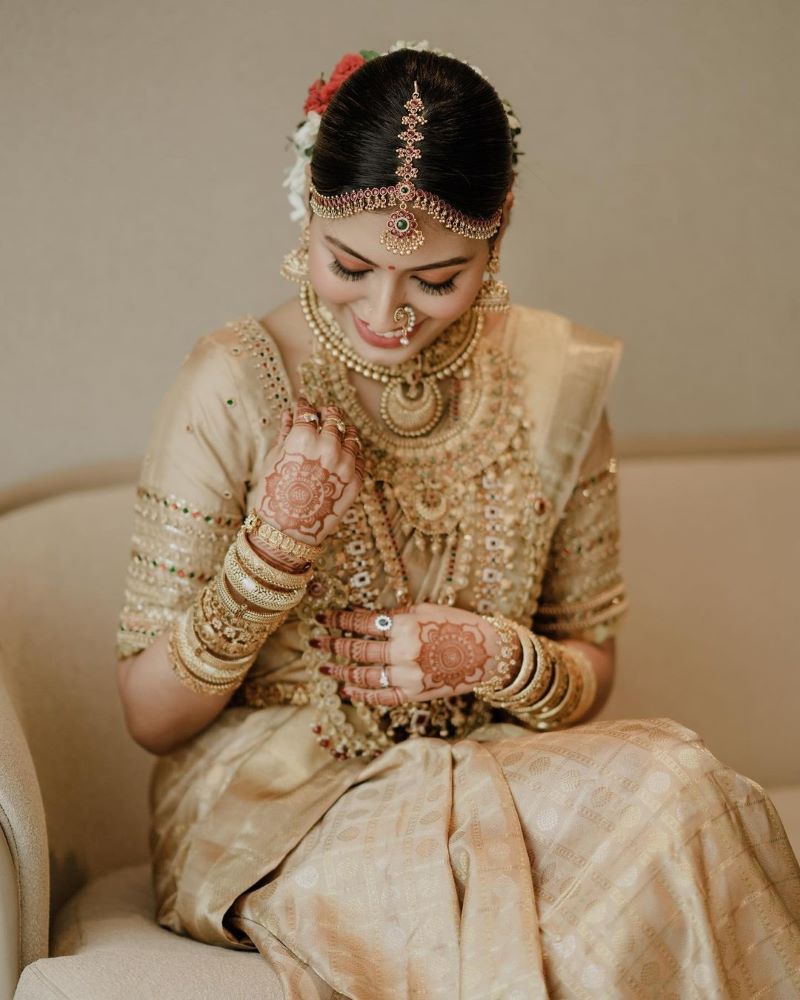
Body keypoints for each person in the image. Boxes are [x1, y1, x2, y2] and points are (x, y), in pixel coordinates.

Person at [116, 43, 800, 998]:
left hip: (497, 762)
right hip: (275, 801)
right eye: (348, 265)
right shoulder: (233, 384)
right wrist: (272, 550)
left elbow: (589, 663)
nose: (386, 313)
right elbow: (149, 713)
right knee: (465, 886)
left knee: (677, 785)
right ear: (309, 209)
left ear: (500, 229)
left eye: (436, 279)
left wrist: (490, 659)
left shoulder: (557, 383)